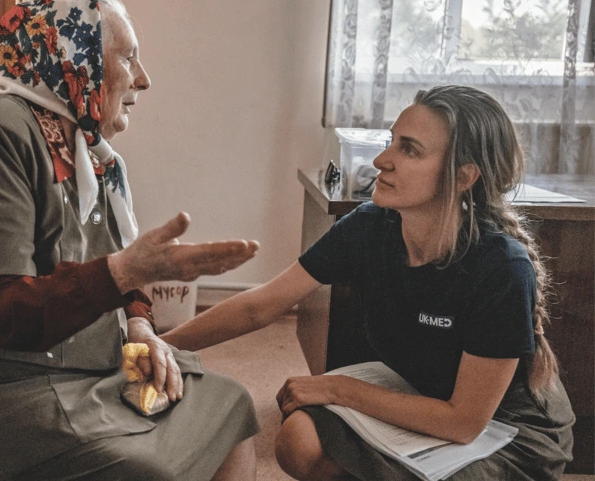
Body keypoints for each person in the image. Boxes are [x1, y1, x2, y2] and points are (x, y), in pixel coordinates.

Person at [0, 0, 260, 481]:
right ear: (75, 58)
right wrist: (125, 272)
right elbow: (0, 315)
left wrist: (139, 325)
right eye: (128, 56)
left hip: (86, 365)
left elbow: (113, 263)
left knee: (231, 407)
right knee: (145, 470)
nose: (143, 78)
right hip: (1, 391)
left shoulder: (78, 141)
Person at [163, 85, 575, 480]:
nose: (381, 161)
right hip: (416, 393)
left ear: (465, 176)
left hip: (503, 429)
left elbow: (463, 423)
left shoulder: (501, 266)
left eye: (409, 150)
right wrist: (160, 347)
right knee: (298, 442)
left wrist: (339, 389)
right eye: (391, 141)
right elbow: (262, 305)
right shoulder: (369, 227)